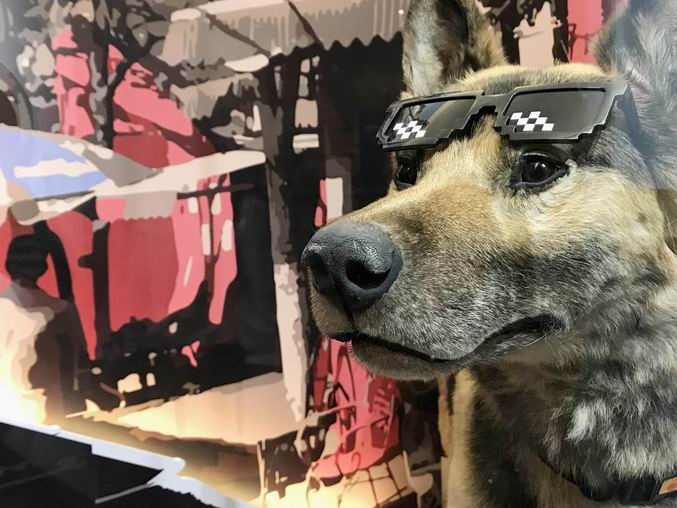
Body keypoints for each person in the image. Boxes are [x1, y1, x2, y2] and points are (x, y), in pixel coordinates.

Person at [0, 234, 87, 423]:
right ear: (42, 267)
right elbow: (78, 359)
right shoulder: (62, 310)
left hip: (18, 409)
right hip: (48, 407)